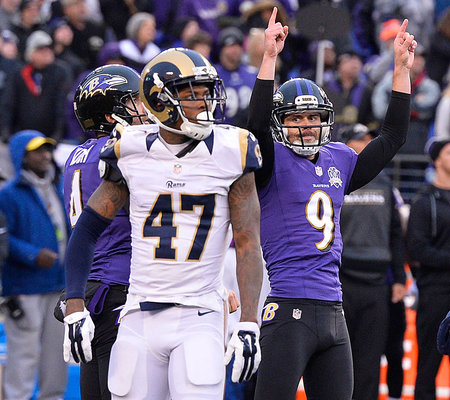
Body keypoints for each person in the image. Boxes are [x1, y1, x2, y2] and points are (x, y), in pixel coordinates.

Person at [62, 48, 264, 398]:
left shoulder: (234, 149)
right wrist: (74, 304)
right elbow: (87, 229)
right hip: (137, 311)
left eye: (206, 93)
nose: (204, 103)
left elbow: (248, 242)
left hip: (200, 314)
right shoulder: (129, 150)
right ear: (160, 100)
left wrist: (249, 320)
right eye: (192, 95)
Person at [246, 8, 416, 399]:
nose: (306, 124)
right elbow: (255, 127)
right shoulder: (270, 161)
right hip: (288, 307)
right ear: (280, 122)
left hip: (334, 310)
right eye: (297, 117)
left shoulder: (338, 157)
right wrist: (269, 59)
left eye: (312, 116)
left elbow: (392, 138)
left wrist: (400, 69)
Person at [62, 64, 146, 400]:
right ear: (112, 115)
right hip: (121, 290)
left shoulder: (75, 155)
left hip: (90, 288)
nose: (144, 109)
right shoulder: (122, 151)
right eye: (135, 102)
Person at [338, 124, 406, 400]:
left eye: (369, 139)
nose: (367, 144)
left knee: (370, 356)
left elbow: (395, 235)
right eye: (360, 140)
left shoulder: (386, 185)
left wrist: (400, 278)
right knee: (340, 354)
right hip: (342, 280)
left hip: (378, 282)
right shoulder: (335, 180)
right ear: (345, 146)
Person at [0, 130, 69, 400]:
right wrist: (32, 254)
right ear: (20, 156)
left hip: (58, 285)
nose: (45, 156)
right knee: (23, 356)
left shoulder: (58, 186)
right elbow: (4, 239)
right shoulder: (8, 195)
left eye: (47, 150)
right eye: (37, 151)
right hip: (25, 286)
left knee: (56, 358)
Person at [406, 139, 450, 400]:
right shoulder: (424, 200)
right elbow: (416, 250)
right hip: (435, 291)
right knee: (428, 363)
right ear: (437, 161)